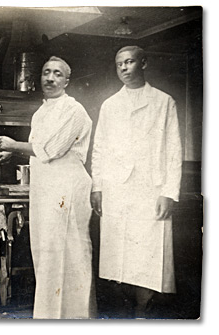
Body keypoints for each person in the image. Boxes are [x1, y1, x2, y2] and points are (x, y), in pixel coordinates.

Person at [0, 56, 95, 319]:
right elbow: (39, 152)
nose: (50, 78)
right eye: (46, 72)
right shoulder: (41, 112)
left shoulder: (74, 110)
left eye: (57, 74)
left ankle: (76, 320)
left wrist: (14, 145)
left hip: (67, 190)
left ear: (67, 80)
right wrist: (13, 155)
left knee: (70, 256)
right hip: (46, 189)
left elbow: (50, 149)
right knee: (47, 255)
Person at [90, 46, 182, 318]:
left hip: (150, 189)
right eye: (119, 64)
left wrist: (169, 192)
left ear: (143, 63)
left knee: (148, 255)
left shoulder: (164, 102)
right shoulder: (110, 104)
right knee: (119, 255)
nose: (124, 68)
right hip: (117, 188)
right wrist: (98, 186)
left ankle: (144, 311)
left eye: (129, 62)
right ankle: (126, 312)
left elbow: (174, 149)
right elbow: (100, 148)